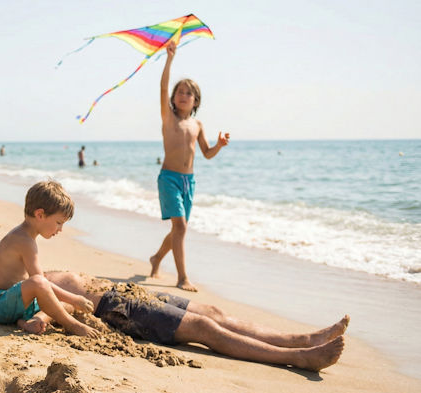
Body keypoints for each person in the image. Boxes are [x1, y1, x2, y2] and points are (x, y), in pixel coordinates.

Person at [41, 271, 347, 371]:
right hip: (116, 308)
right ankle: (298, 358)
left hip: (123, 292)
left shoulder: (33, 272)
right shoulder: (27, 289)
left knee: (213, 312)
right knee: (204, 329)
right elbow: (45, 306)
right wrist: (41, 319)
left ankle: (302, 339)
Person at [150, 41, 230, 292]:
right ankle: (182, 277)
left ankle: (157, 258)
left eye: (189, 93)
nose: (183, 96)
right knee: (181, 226)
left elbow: (206, 154)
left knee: (178, 228)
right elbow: (162, 87)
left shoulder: (197, 125)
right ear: (173, 98)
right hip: (169, 178)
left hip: (189, 181)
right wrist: (169, 59)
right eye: (180, 92)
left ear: (196, 101)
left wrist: (219, 145)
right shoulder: (168, 117)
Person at [0, 181, 99, 337]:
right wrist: (75, 298)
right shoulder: (23, 240)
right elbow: (39, 282)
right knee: (41, 283)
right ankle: (72, 325)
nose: (61, 229)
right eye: (58, 223)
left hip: (13, 302)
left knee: (64, 305)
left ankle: (33, 320)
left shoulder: (27, 237)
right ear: (40, 215)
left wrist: (72, 301)